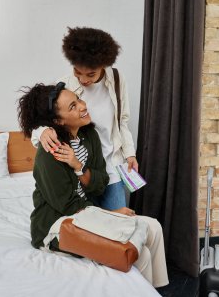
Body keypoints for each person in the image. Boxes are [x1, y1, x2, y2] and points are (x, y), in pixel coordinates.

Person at [18, 82, 169, 288]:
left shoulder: (89, 136)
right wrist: (113, 214)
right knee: (139, 253)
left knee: (154, 228)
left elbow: (100, 185)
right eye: (72, 106)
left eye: (78, 100)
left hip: (86, 214)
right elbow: (68, 207)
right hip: (58, 226)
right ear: (58, 121)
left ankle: (160, 290)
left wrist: (78, 166)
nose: (82, 106)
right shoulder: (49, 154)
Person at [31, 27, 138, 210]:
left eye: (90, 74)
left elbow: (122, 122)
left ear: (104, 65)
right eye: (77, 72)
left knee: (120, 226)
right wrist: (42, 131)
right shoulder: (66, 84)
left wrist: (130, 153)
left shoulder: (117, 80)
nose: (83, 80)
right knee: (90, 229)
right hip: (80, 167)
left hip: (110, 167)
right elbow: (49, 117)